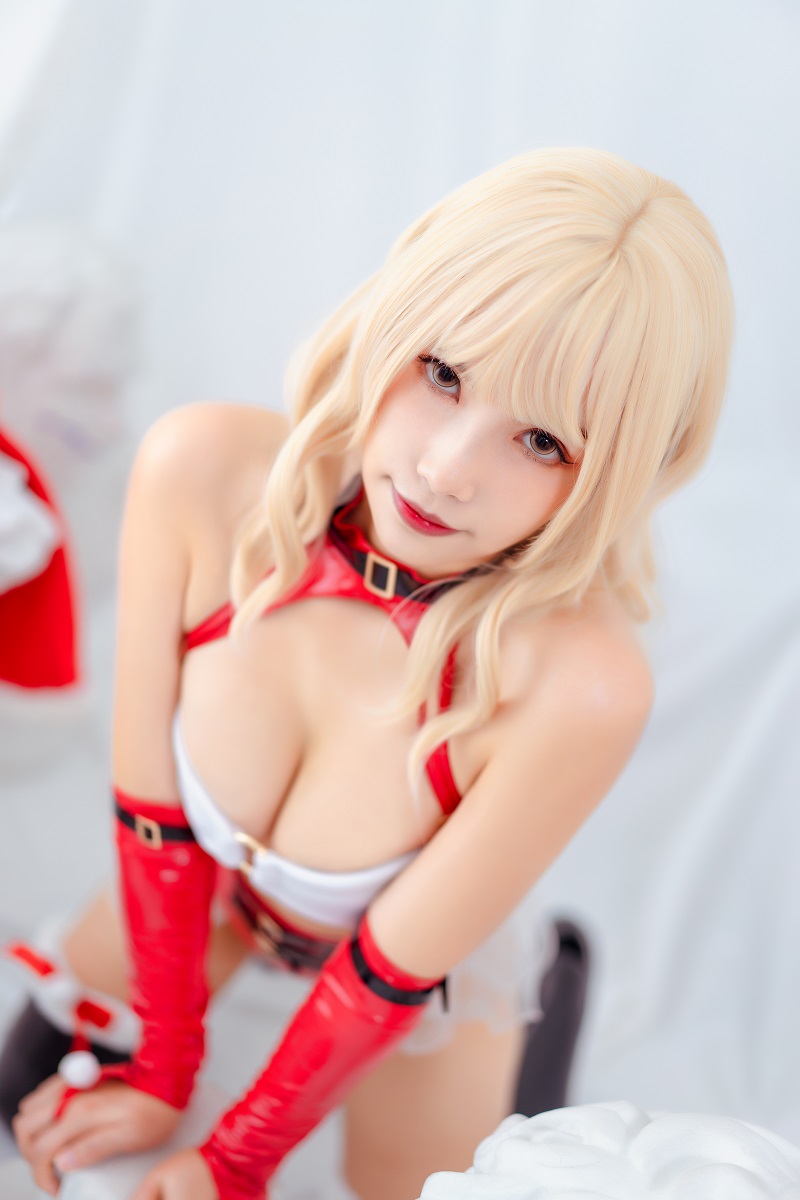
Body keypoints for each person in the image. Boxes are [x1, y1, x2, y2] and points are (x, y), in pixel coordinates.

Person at [7, 147, 733, 1200]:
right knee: (27, 1090)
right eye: (442, 373)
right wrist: (164, 1066)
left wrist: (233, 1160)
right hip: (212, 889)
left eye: (541, 440)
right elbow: (151, 811)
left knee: (409, 1185)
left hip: (410, 969)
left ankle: (552, 979)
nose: (445, 471)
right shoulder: (201, 470)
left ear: (618, 472)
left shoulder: (577, 682)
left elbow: (386, 970)